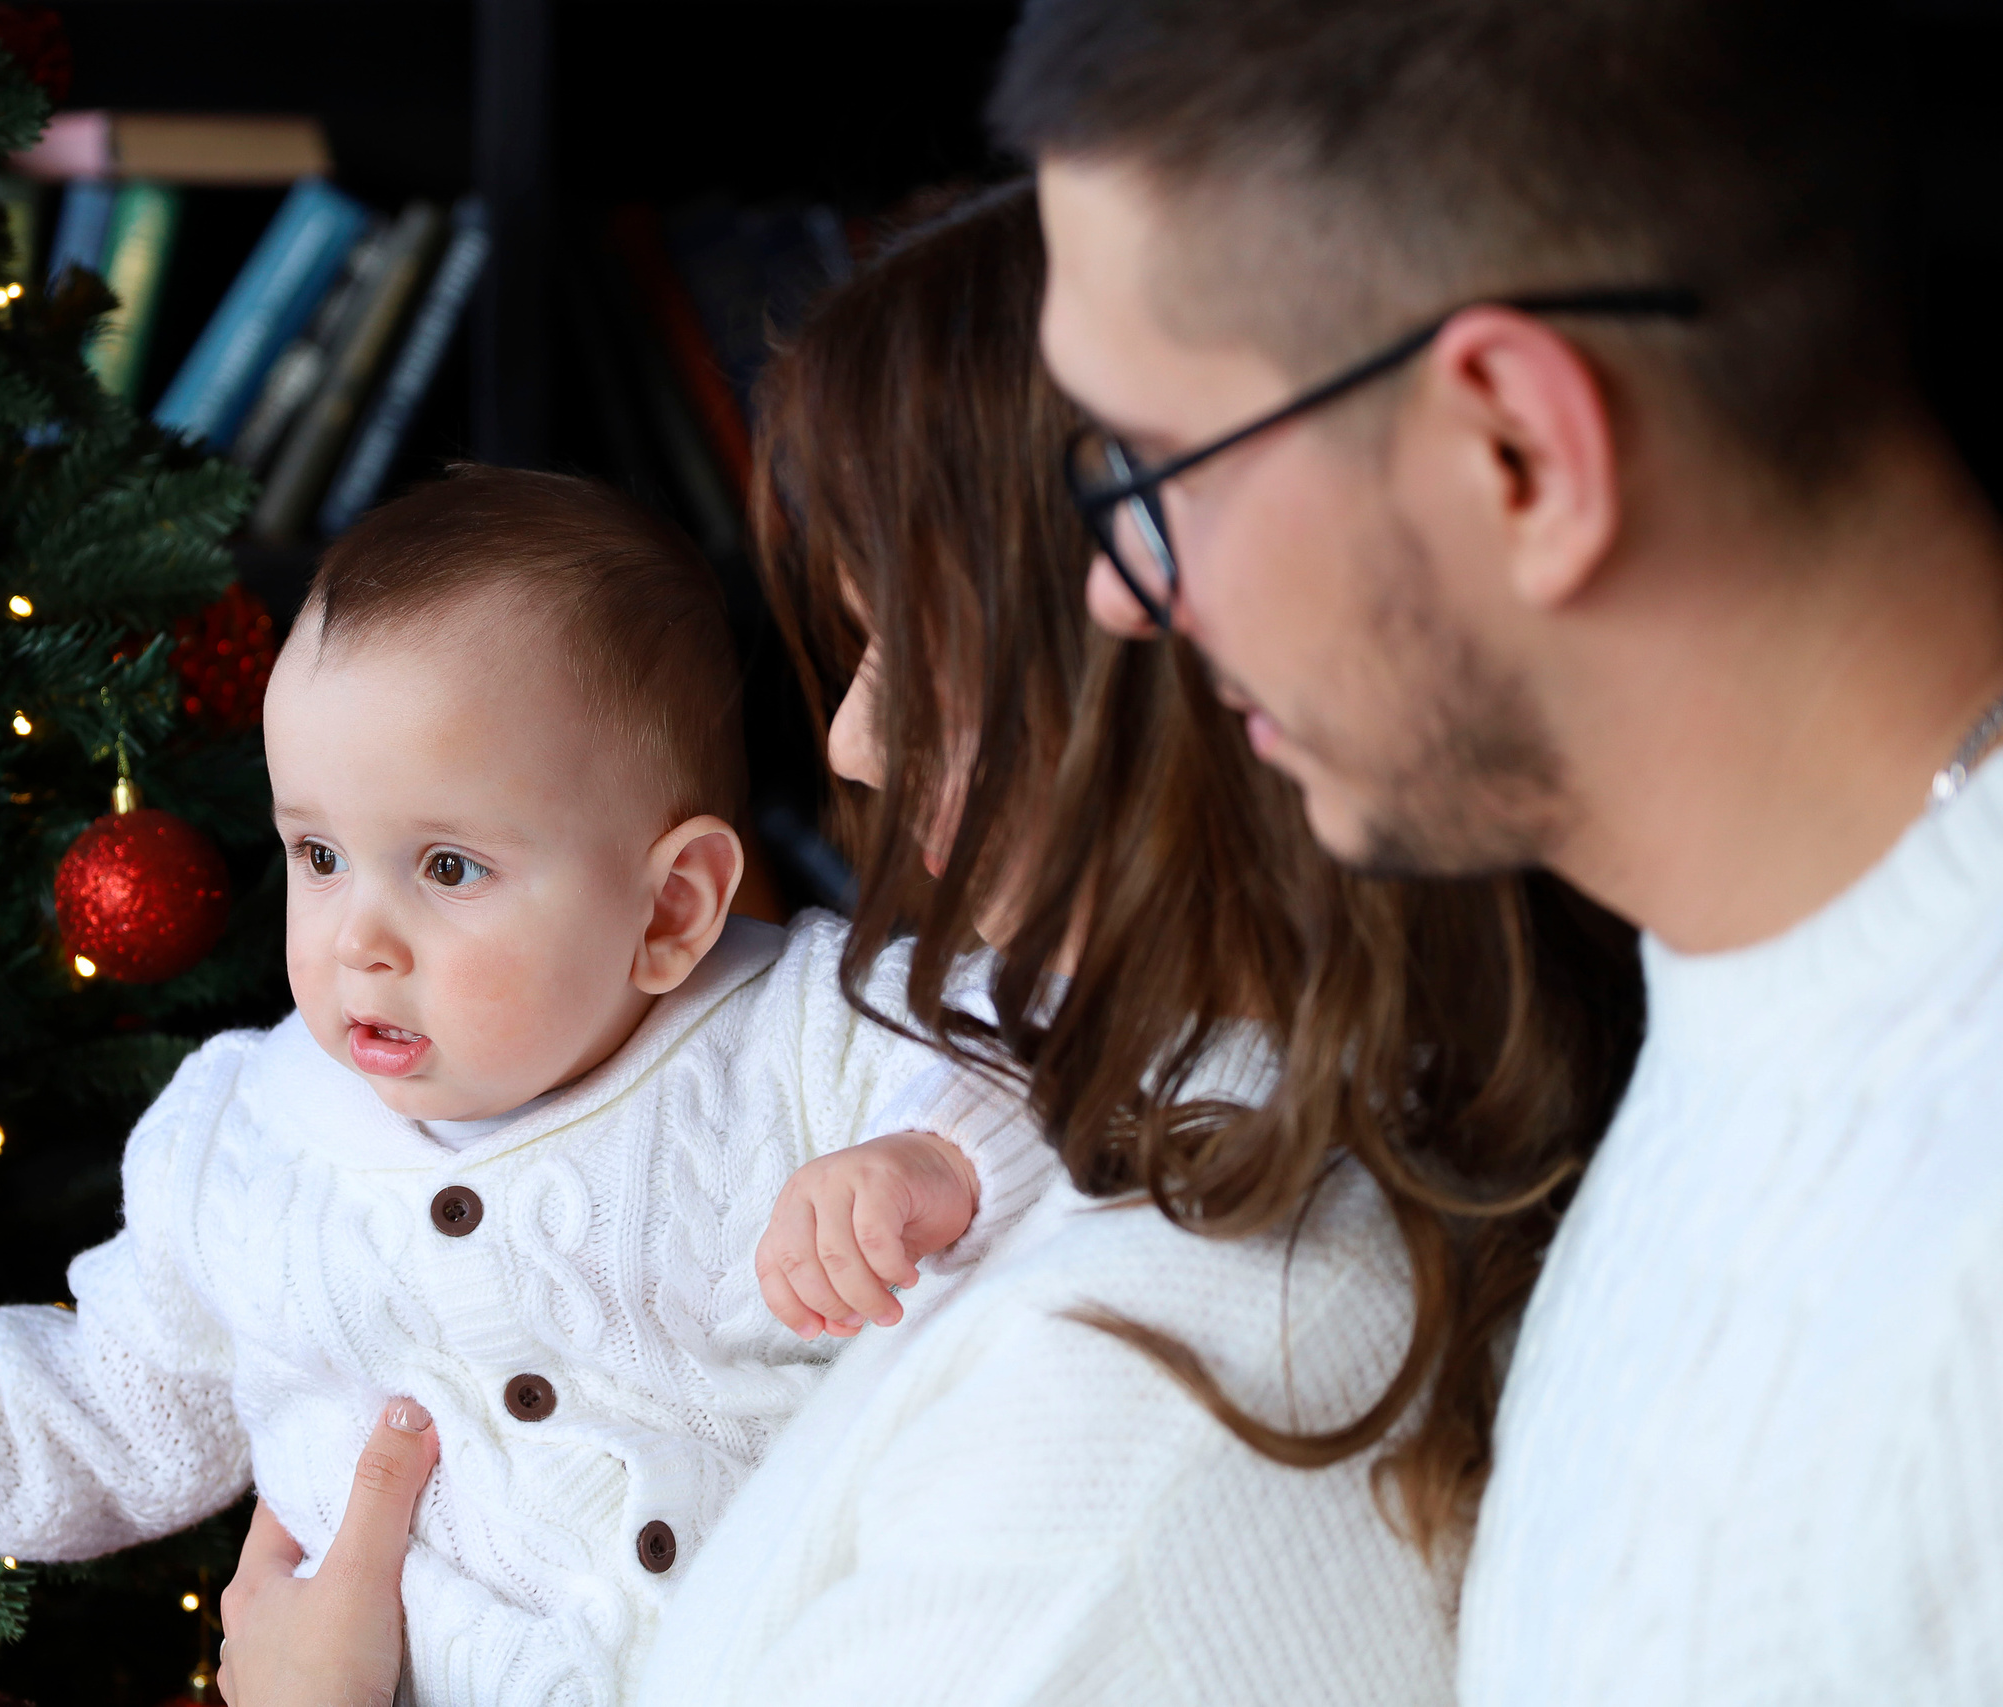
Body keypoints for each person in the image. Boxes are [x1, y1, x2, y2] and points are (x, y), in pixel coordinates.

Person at [221, 184, 1642, 1705]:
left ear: (1166, 675)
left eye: (922, 658)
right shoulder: (1151, 1136)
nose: (853, 740)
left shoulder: (1156, 1404)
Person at [0, 466, 1052, 1707]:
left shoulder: (812, 1029)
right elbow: (101, 1406)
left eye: (447, 867)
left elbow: (1062, 1053)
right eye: (317, 854)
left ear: (671, 907)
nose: (356, 937)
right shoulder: (245, 1143)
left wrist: (935, 1160)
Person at [997, 0, 2003, 1698]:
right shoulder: (1780, 985)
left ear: (1520, 452)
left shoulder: (1951, 1339)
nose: (1121, 585)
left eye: (1166, 464)